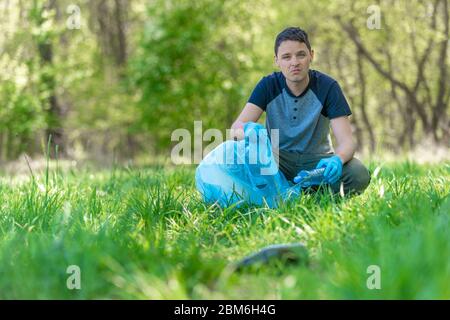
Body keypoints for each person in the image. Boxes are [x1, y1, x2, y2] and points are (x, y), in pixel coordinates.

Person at [230, 27, 371, 196]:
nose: (294, 62)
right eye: (286, 57)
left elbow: (348, 142)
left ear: (311, 55)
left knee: (358, 174)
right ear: (276, 60)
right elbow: (235, 130)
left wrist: (337, 159)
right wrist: (247, 131)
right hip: (276, 161)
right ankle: (299, 191)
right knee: (236, 163)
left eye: (301, 55)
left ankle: (295, 191)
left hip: (317, 163)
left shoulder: (328, 87)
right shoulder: (268, 85)